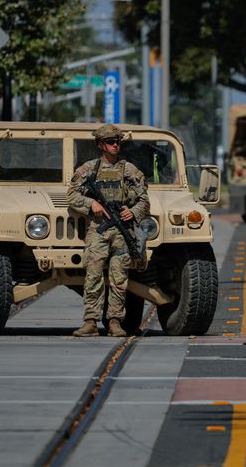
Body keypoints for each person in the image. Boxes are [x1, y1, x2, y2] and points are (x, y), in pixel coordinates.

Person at [67, 124, 150, 337]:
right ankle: (91, 321)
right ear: (100, 145)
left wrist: (133, 213)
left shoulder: (129, 170)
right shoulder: (88, 169)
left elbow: (144, 201)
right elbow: (72, 195)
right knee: (93, 275)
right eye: (111, 142)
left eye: (117, 141)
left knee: (119, 278)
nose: (115, 145)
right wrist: (90, 204)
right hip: (99, 229)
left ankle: (114, 321)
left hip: (122, 231)